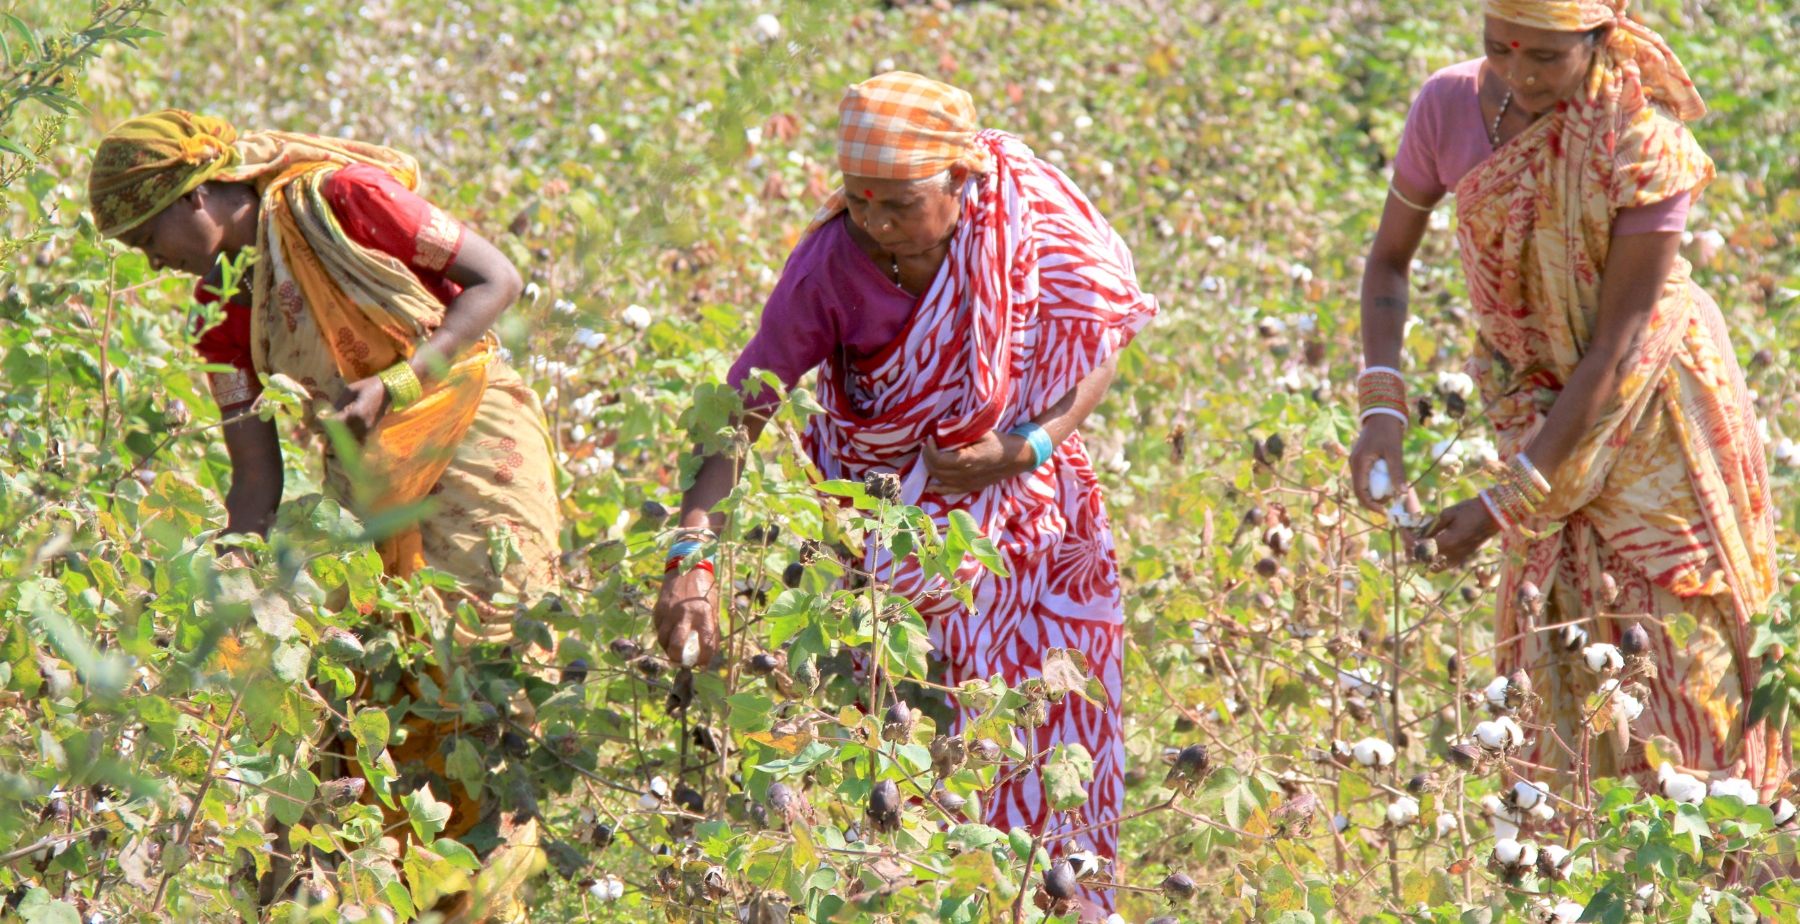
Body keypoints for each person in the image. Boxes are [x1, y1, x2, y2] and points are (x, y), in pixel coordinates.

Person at [652, 72, 1156, 899]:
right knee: (906, 748)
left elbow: (1095, 333)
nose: (878, 225)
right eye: (858, 201)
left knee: (1050, 731)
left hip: (1038, 523)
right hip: (889, 536)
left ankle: (1052, 901)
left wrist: (1025, 448)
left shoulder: (1021, 212)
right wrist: (691, 546)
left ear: (962, 180)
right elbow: (741, 413)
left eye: (899, 204)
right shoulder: (828, 271)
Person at [87, 110, 560, 923]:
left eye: (146, 239)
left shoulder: (341, 199)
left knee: (487, 682)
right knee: (386, 697)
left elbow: (498, 280)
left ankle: (495, 901)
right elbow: (254, 474)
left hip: (477, 456)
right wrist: (230, 580)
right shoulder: (221, 305)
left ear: (194, 198)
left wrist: (402, 382)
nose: (153, 264)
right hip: (368, 493)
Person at [1348, 0, 1783, 795]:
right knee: (1560, 648)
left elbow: (1618, 348)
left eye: (1546, 54)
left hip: (1652, 409)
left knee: (1674, 646)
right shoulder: (1445, 107)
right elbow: (1389, 261)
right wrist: (1381, 409)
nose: (1519, 71)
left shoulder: (1640, 143)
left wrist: (1507, 502)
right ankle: (1572, 870)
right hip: (1535, 404)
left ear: (1601, 38)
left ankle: (1701, 869)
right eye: (1497, 46)